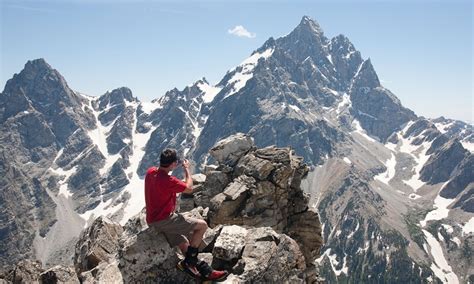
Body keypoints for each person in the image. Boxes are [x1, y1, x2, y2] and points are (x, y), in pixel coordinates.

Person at [145, 148, 228, 281]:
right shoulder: (168, 180)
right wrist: (187, 169)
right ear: (172, 164)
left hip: (152, 220)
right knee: (202, 226)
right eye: (176, 162)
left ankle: (203, 272)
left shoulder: (150, 172)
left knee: (183, 243)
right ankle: (190, 264)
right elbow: (189, 188)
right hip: (165, 220)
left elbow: (159, 176)